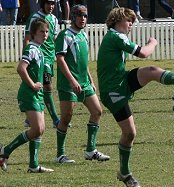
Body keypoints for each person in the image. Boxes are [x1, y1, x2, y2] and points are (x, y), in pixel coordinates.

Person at [97, 7, 174, 187]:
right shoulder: (115, 36)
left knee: (152, 71)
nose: (131, 24)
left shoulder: (116, 36)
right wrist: (153, 42)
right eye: (128, 20)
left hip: (121, 81)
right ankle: (124, 172)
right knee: (130, 133)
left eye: (132, 21)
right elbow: (143, 53)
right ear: (117, 20)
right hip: (112, 90)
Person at [54, 4, 110, 164]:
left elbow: (84, 62)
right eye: (80, 16)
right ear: (73, 17)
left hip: (84, 83)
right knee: (66, 118)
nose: (83, 19)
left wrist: (91, 80)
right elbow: (60, 59)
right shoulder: (65, 35)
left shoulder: (84, 36)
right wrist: (72, 80)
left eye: (85, 16)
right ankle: (60, 154)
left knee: (97, 111)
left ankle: (90, 150)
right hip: (68, 84)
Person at [0, 18, 54, 173]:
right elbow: (20, 68)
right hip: (29, 94)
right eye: (41, 32)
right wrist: (32, 84)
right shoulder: (31, 48)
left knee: (40, 129)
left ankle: (33, 165)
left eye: (46, 31)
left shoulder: (39, 49)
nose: (45, 35)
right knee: (37, 129)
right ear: (33, 33)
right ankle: (6, 151)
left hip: (37, 94)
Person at [23, 0, 60, 128]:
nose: (51, 6)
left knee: (42, 86)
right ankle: (55, 119)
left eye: (53, 4)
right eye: (48, 3)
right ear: (42, 3)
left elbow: (54, 38)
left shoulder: (54, 19)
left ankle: (30, 117)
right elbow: (27, 39)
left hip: (50, 58)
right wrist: (27, 58)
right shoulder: (34, 18)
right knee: (47, 87)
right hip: (39, 59)